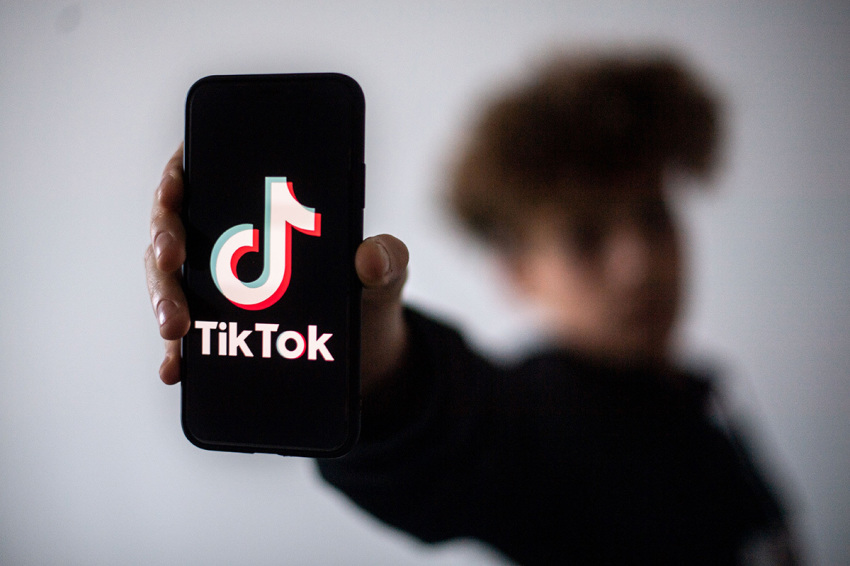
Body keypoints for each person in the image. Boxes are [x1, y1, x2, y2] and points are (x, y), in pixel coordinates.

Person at [146, 49, 798, 564]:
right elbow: (461, 440)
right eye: (585, 236)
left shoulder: (701, 398)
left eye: (653, 217)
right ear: (518, 273)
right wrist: (374, 374)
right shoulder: (542, 421)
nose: (638, 262)